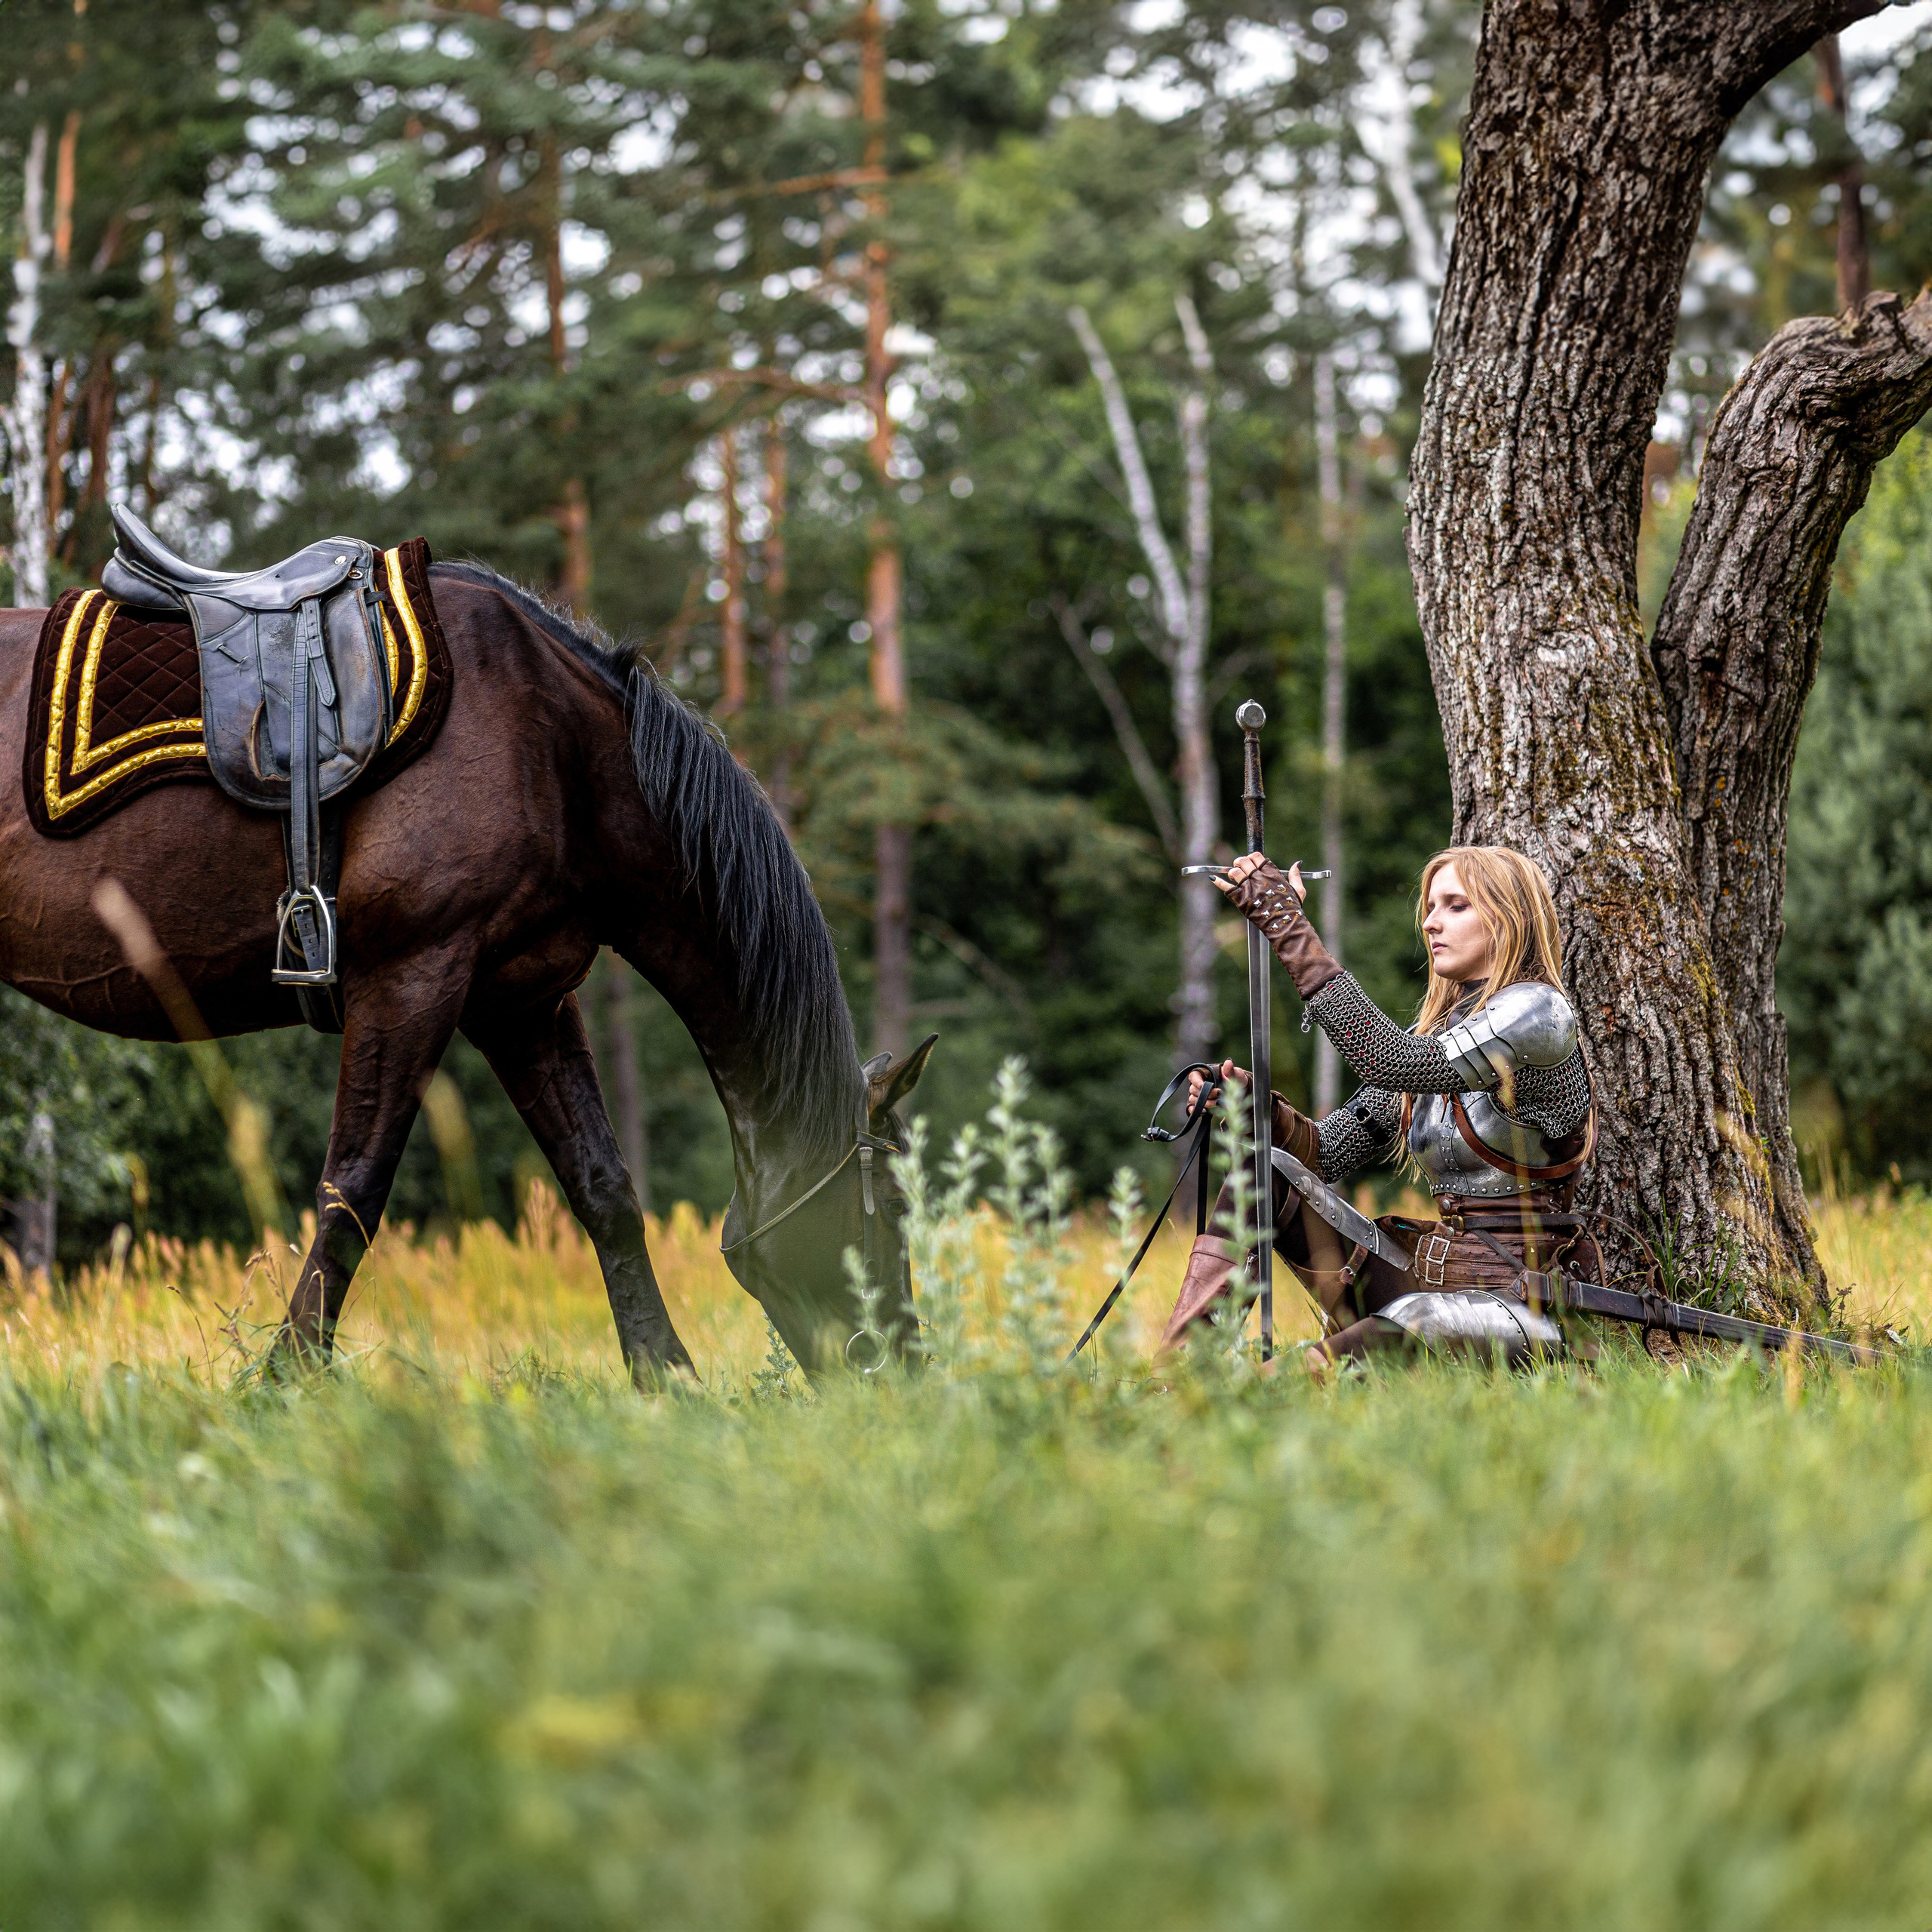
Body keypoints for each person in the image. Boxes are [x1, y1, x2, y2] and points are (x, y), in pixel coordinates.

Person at [1159, 844, 1596, 1371]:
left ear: (1510, 918)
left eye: (1457, 906)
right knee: (1263, 1170)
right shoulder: (1438, 1035)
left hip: (1520, 1307)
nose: (1433, 924)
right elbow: (1328, 1152)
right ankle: (1180, 1375)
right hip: (1424, 1284)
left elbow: (1391, 1060)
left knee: (1413, 1323)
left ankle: (1264, 1389)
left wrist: (1287, 926)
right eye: (1431, 908)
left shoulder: (1540, 1013)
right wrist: (1255, 1109)